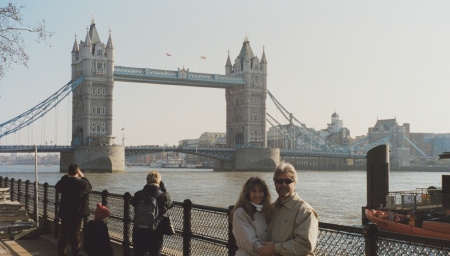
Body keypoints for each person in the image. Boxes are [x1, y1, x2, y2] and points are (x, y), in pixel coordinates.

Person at [257, 162, 319, 256]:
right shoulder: (270, 209)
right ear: (275, 183)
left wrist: (275, 248)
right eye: (280, 181)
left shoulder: (305, 211)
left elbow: (305, 245)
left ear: (295, 183)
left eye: (288, 181)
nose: (284, 184)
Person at [130, 170, 173, 256]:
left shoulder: (139, 194)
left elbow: (132, 202)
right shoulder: (162, 196)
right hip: (155, 233)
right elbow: (170, 204)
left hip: (139, 232)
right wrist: (164, 190)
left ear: (147, 180)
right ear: (159, 181)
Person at [55, 164, 92, 256]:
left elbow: (57, 186)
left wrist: (66, 175)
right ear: (78, 172)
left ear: (68, 172)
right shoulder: (82, 184)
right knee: (76, 234)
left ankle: (61, 253)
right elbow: (90, 187)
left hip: (65, 212)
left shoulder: (64, 182)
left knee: (63, 234)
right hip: (77, 213)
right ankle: (75, 253)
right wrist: (82, 176)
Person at [230, 177, 272, 256]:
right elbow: (251, 244)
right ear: (247, 193)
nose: (258, 195)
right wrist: (272, 251)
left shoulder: (268, 211)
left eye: (261, 191)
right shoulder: (240, 213)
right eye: (254, 191)